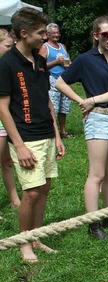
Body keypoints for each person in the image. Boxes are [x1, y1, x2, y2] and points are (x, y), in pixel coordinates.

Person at [56, 15, 108, 240]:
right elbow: (59, 82)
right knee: (97, 174)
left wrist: (93, 99)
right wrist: (81, 101)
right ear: (96, 36)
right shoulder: (86, 59)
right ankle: (93, 223)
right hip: (98, 119)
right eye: (104, 34)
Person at [0, 8, 65, 261]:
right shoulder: (6, 63)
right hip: (25, 137)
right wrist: (19, 145)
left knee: (44, 188)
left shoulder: (39, 60)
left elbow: (46, 99)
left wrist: (57, 136)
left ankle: (36, 237)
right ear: (24, 33)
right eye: (40, 32)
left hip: (47, 134)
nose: (44, 36)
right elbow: (3, 108)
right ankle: (24, 243)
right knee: (32, 192)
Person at [38, 23, 72, 138]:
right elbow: (40, 66)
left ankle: (63, 130)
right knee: (54, 107)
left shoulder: (62, 46)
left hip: (64, 79)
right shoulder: (45, 47)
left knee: (64, 107)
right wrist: (56, 62)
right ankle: (53, 131)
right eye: (53, 33)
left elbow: (68, 61)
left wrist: (68, 64)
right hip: (52, 80)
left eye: (57, 33)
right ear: (47, 35)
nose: (56, 35)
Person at [0, 28, 21, 215]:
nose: (11, 49)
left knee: (7, 161)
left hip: (5, 119)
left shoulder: (8, 65)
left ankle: (14, 199)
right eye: (7, 46)